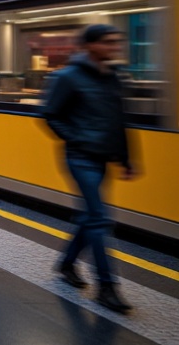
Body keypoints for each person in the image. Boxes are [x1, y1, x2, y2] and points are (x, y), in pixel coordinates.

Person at [43, 24, 136, 314]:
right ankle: (106, 287)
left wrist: (125, 158)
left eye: (116, 42)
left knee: (90, 217)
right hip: (80, 157)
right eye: (108, 42)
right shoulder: (67, 77)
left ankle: (67, 264)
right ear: (91, 45)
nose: (114, 47)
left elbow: (117, 120)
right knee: (99, 219)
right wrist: (77, 139)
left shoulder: (113, 77)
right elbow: (50, 115)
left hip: (103, 157)